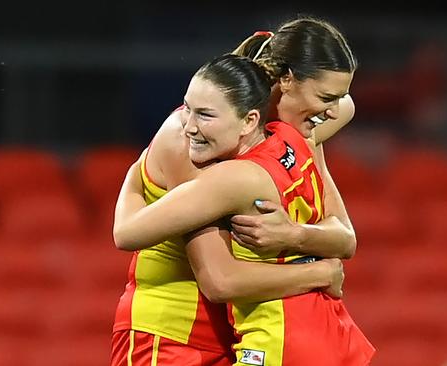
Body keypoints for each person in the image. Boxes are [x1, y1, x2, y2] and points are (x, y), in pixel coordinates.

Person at [113, 17, 374, 366]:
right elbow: (218, 279)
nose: (330, 112)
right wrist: (320, 273)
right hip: (170, 335)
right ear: (285, 81)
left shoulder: (289, 135)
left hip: (238, 335)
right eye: (325, 97)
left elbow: (344, 238)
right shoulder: (194, 140)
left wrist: (294, 234)